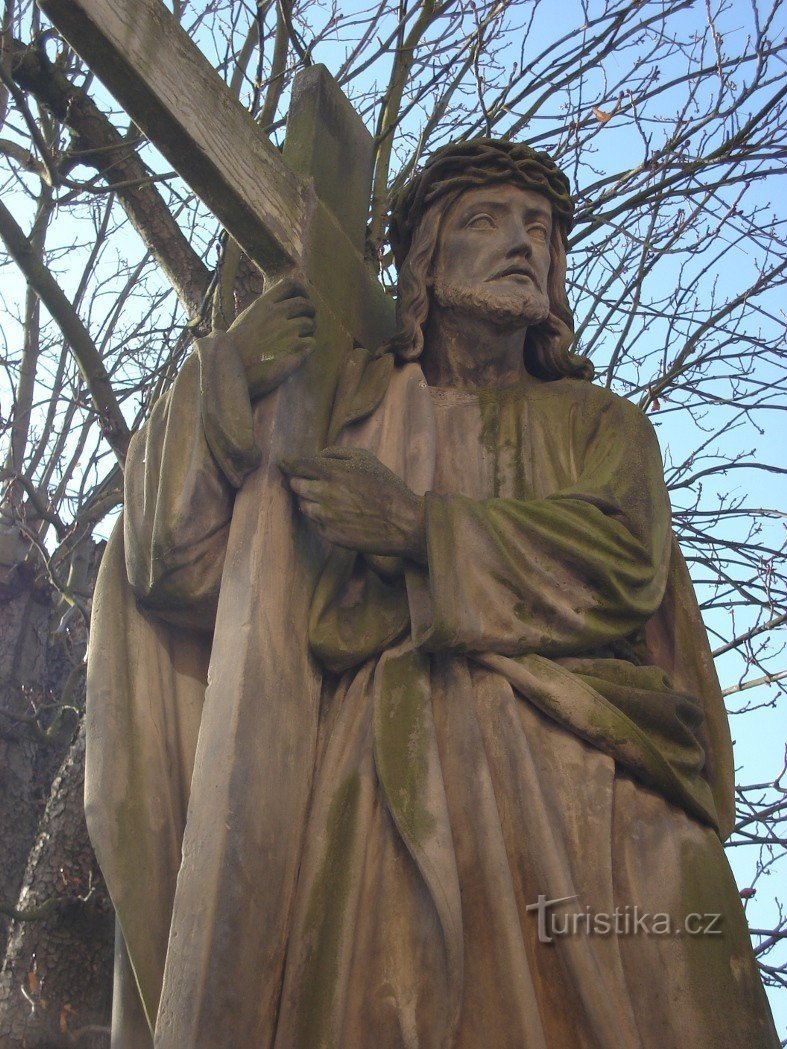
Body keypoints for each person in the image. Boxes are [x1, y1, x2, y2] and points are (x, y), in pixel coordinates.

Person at [87, 140, 778, 1047]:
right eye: (487, 221)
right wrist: (223, 382)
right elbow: (181, 569)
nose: (523, 244)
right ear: (424, 259)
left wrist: (422, 530)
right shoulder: (354, 413)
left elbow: (618, 560)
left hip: (588, 779)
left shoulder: (597, 423)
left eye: (540, 229)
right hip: (389, 770)